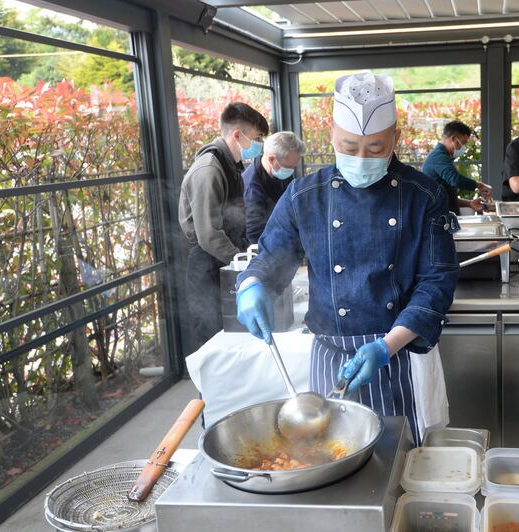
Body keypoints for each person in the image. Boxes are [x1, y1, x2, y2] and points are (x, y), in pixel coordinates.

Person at [235, 72, 459, 444]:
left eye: (374, 150)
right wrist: (252, 284)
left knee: (405, 457)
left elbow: (437, 282)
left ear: (396, 139)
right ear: (332, 136)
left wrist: (386, 346)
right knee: (329, 452)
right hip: (330, 352)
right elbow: (273, 255)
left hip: (398, 351)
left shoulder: (424, 195)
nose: (360, 158)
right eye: (348, 146)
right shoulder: (305, 196)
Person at [179, 102, 269, 350]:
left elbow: (234, 220)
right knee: (212, 340)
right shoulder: (209, 169)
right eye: (257, 137)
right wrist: (242, 262)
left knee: (232, 335)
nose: (259, 144)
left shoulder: (230, 165)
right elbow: (209, 235)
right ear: (237, 135)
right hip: (207, 264)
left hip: (223, 260)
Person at [243, 131, 306, 244]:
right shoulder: (252, 189)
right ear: (272, 159)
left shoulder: (279, 170)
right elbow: (254, 234)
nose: (291, 171)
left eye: (293, 167)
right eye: (289, 167)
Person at [422, 120, 491, 215]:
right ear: (454, 139)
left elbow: (446, 196)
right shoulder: (439, 157)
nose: (463, 148)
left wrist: (469, 203)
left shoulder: (443, 157)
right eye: (463, 143)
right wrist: (479, 185)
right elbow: (455, 180)